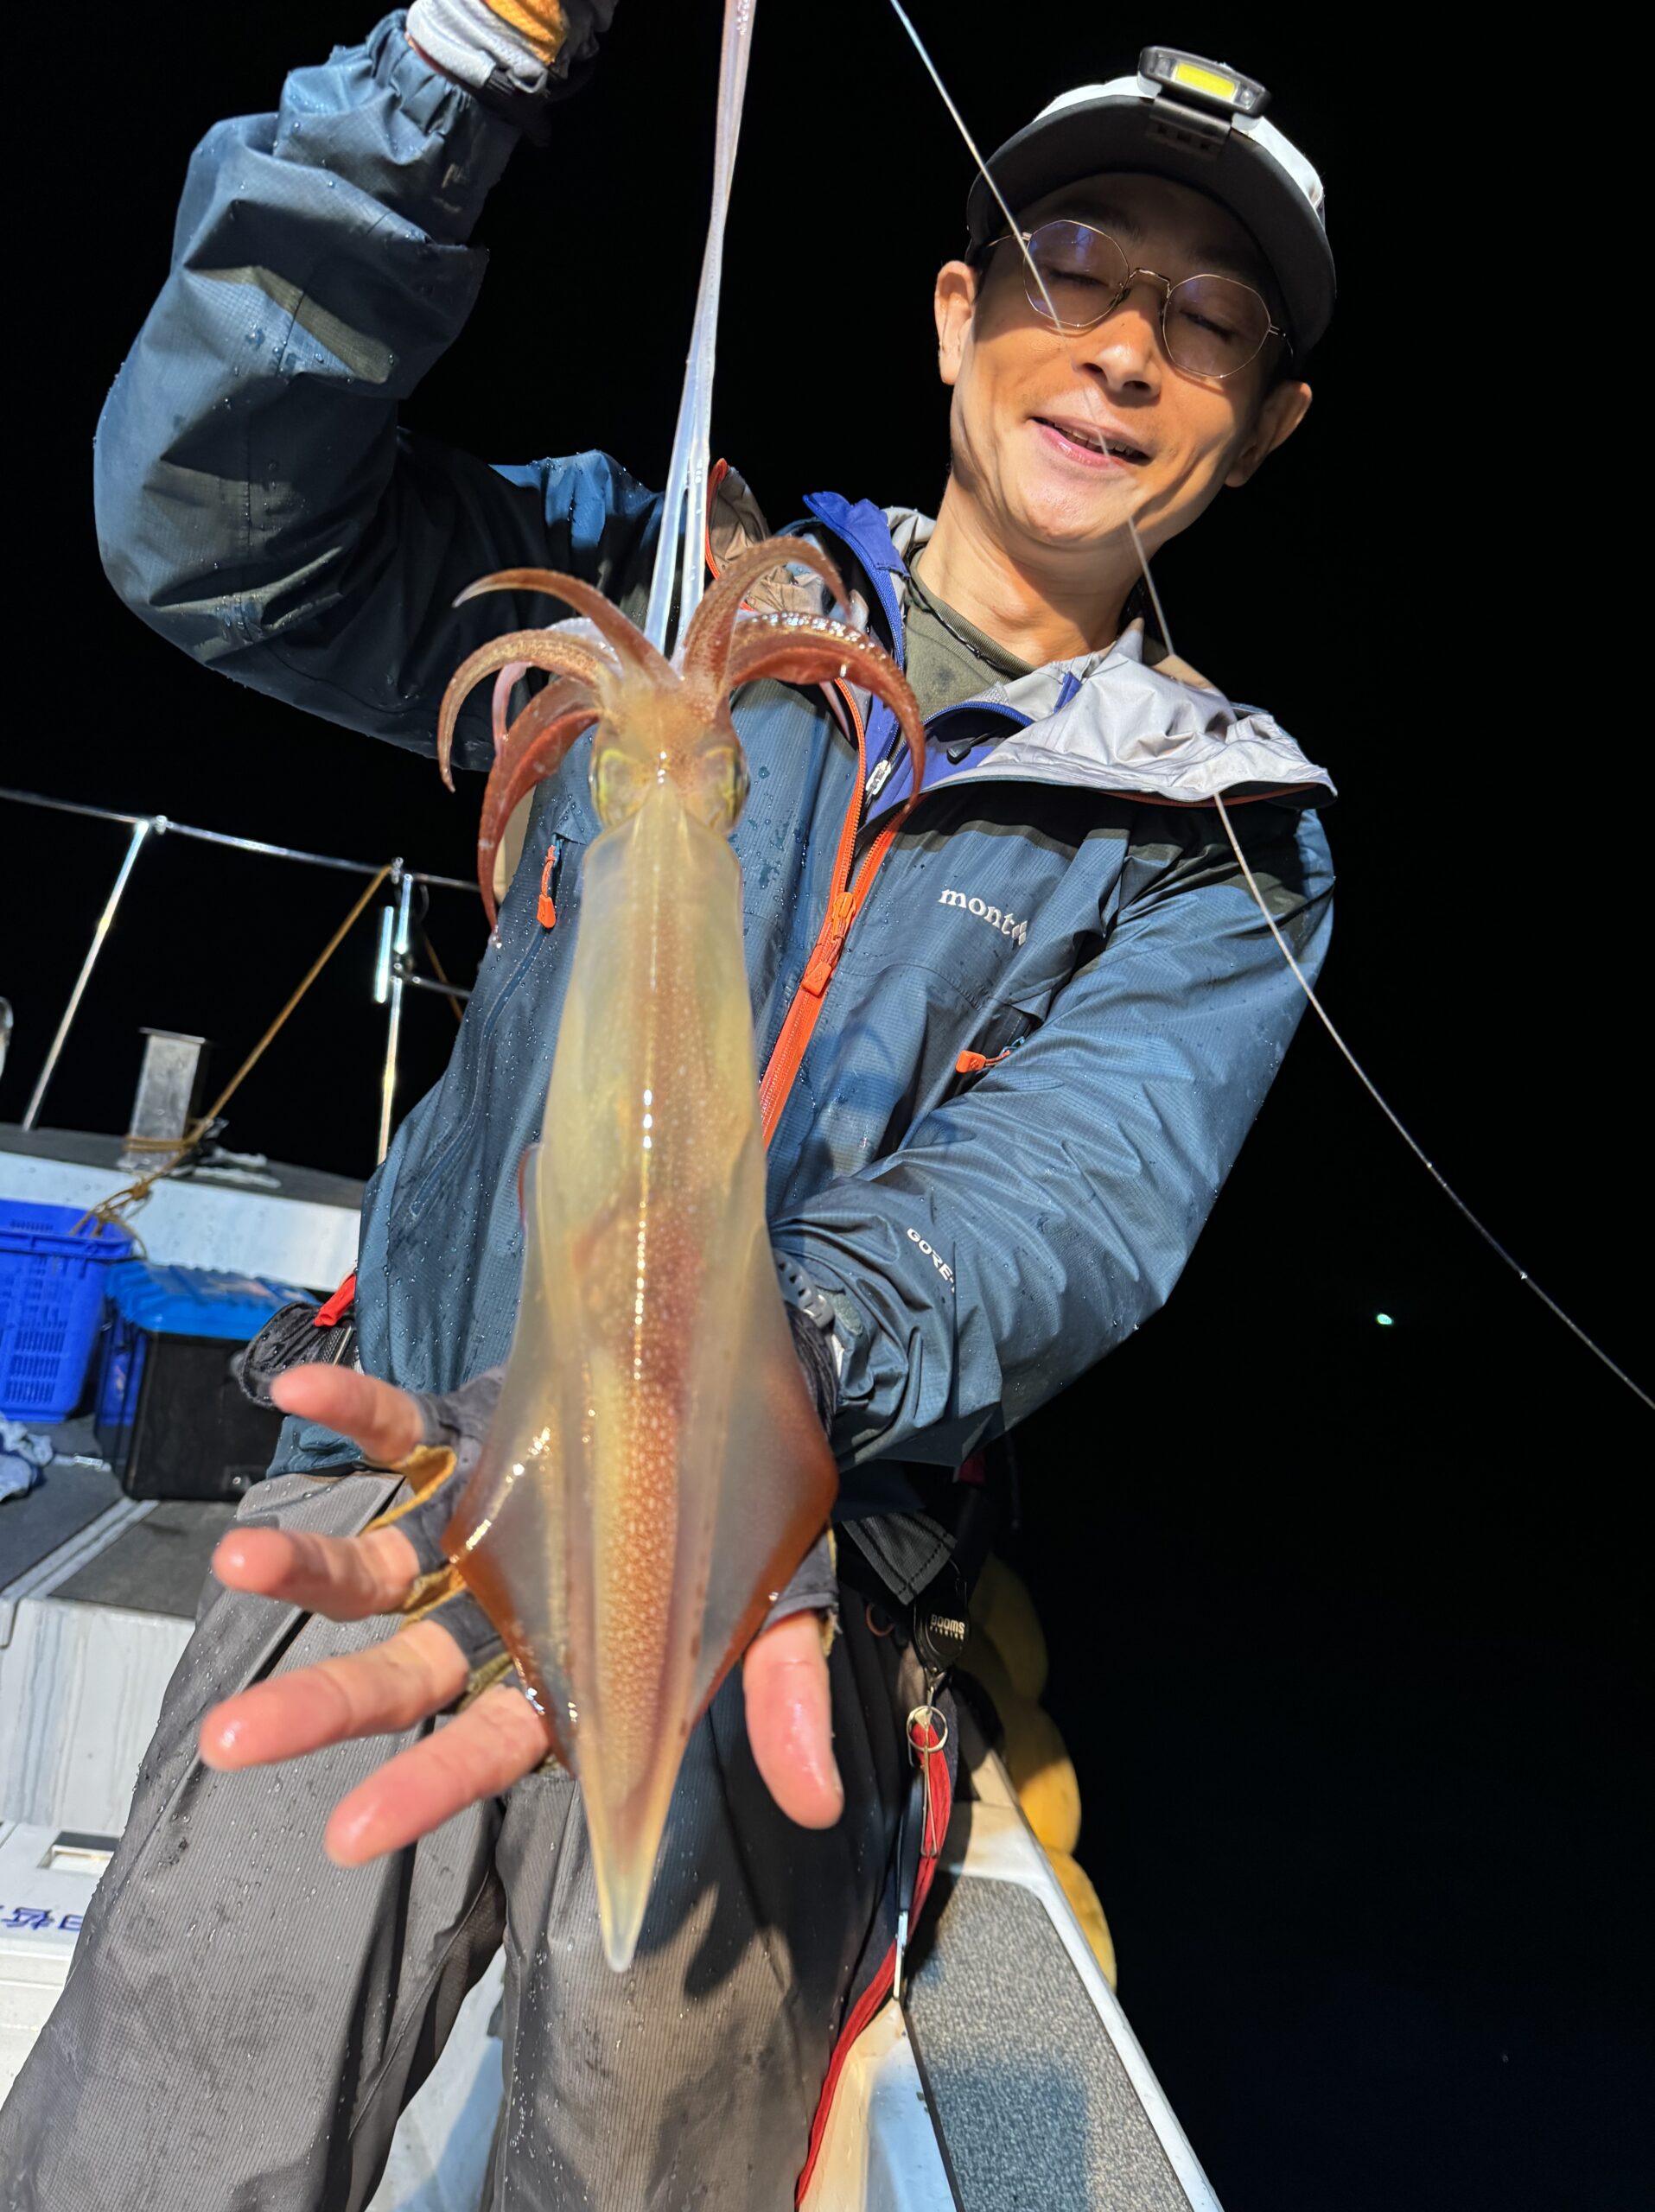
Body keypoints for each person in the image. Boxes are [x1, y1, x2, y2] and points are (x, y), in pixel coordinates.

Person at [0, 13, 1336, 2209]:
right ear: (953, 312)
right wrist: (450, 71)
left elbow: (1059, 1205)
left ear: (1261, 423)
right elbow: (215, 522)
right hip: (411, 1493)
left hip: (781, 1602)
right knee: (163, 2133)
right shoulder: (672, 592)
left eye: (1204, 320)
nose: (1119, 344)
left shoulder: (1218, 839)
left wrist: (688, 1429)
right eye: (1069, 264)